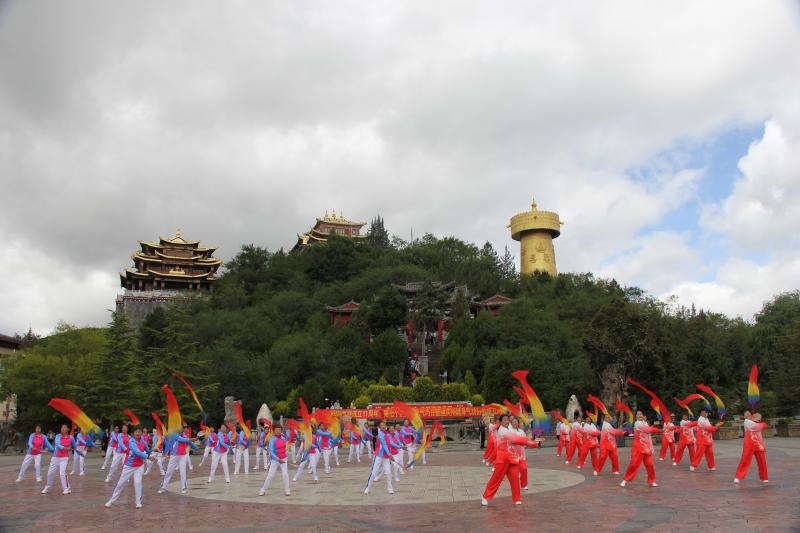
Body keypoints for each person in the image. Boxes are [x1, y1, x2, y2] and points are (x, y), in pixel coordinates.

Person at [481, 414, 542, 506]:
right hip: (502, 459)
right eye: (504, 420)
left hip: (512, 458)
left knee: (515, 478)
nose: (506, 421)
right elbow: (515, 439)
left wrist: (531, 441)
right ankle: (485, 497)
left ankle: (517, 499)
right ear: (500, 422)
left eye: (507, 419)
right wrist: (529, 442)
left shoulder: (509, 429)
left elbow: (518, 439)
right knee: (496, 479)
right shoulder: (502, 430)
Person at [104, 427, 150, 509]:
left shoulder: (142, 441)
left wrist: (154, 451)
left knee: (138, 483)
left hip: (139, 466)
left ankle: (138, 502)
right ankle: (111, 501)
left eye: (139, 432)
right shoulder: (131, 441)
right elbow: (137, 452)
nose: (138, 433)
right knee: (120, 484)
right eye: (136, 432)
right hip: (129, 466)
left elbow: (147, 450)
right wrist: (148, 457)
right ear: (133, 433)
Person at [620, 411, 660, 488]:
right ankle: (625, 480)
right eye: (638, 414)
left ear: (643, 415)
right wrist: (657, 429)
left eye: (641, 414)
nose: (640, 415)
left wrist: (651, 447)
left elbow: (648, 436)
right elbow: (647, 430)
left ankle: (652, 481)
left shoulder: (645, 423)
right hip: (638, 448)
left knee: (650, 465)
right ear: (636, 417)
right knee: (634, 464)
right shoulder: (637, 424)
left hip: (647, 449)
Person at [42, 424, 81, 495]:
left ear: (68, 429)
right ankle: (47, 487)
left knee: (62, 473)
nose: (62, 429)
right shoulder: (58, 436)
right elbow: (58, 445)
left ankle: (66, 488)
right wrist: (66, 448)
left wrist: (80, 453)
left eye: (64, 427)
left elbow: (75, 447)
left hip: (64, 458)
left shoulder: (71, 438)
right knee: (50, 473)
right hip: (55, 457)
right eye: (62, 427)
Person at [158, 425, 199, 494]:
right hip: (174, 456)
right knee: (169, 472)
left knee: (183, 471)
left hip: (183, 456)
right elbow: (182, 440)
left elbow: (189, 442)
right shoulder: (174, 435)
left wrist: (196, 447)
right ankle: (163, 487)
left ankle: (183, 487)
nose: (181, 429)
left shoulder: (184, 435)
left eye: (182, 428)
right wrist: (194, 439)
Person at [734, 412, 769, 483]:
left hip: (759, 444)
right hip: (749, 445)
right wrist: (762, 423)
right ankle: (738, 476)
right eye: (746, 414)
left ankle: (764, 477)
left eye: (750, 414)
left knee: (762, 461)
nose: (748, 415)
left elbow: (761, 425)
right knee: (745, 460)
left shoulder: (757, 422)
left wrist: (760, 421)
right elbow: (756, 427)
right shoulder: (747, 422)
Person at [259, 424, 291, 496]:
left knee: (285, 474)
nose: (278, 431)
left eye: (279, 429)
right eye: (276, 430)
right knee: (270, 475)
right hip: (275, 460)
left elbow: (285, 448)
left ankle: (287, 490)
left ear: (281, 430)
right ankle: (263, 490)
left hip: (283, 459)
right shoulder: (272, 439)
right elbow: (271, 451)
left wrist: (285, 456)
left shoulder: (283, 438)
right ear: (274, 431)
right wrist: (277, 459)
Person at [364, 422, 395, 495]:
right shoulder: (380, 434)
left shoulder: (387, 434)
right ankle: (367, 488)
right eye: (381, 426)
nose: (383, 426)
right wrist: (390, 455)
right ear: (379, 427)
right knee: (373, 473)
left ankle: (390, 488)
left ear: (386, 426)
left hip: (386, 457)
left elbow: (391, 443)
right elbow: (384, 445)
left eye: (384, 425)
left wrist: (400, 446)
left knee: (388, 472)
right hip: (379, 456)